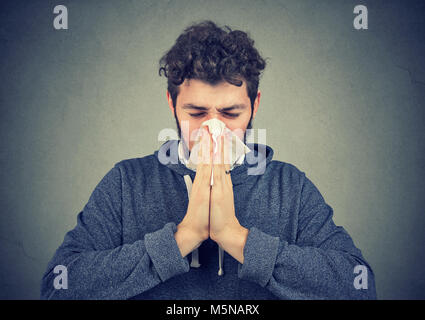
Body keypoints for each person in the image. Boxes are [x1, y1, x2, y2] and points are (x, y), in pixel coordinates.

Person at [40, 20, 377, 300]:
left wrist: (236, 237)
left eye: (231, 113)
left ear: (254, 105)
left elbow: (359, 287)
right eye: (196, 112)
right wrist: (183, 237)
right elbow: (58, 286)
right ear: (172, 105)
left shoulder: (290, 187)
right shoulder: (127, 182)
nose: (213, 128)